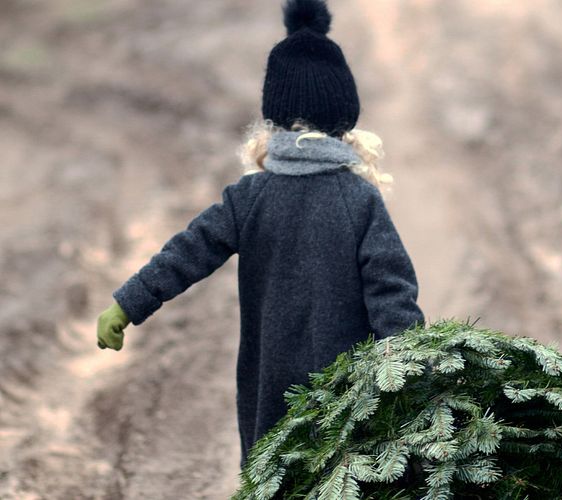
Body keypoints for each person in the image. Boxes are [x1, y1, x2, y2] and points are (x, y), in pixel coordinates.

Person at [95, 0, 425, 471]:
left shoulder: (250, 197)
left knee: (272, 478)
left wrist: (127, 303)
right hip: (351, 396)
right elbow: (393, 294)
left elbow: (186, 253)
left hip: (268, 393)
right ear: (345, 120)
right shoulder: (359, 201)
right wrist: (410, 368)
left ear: (273, 118)